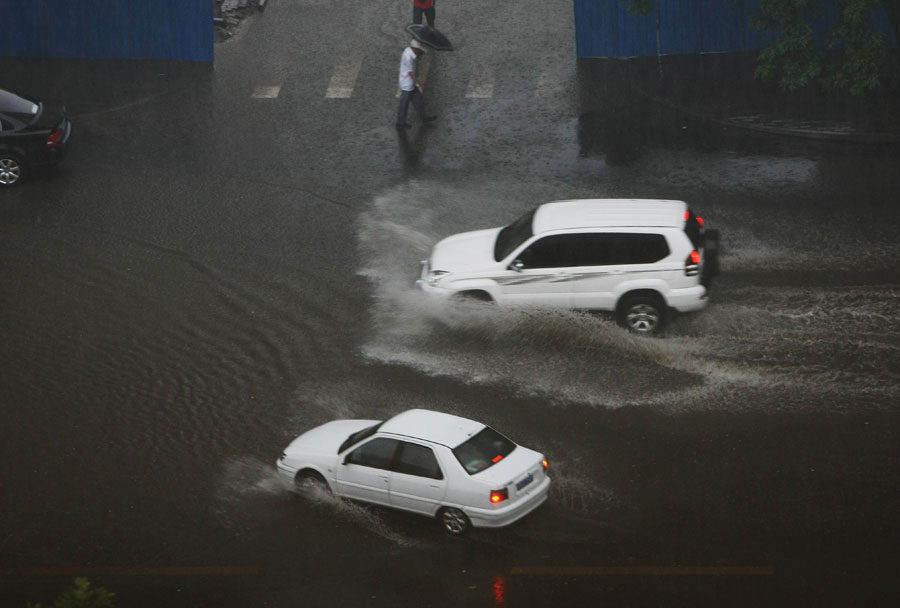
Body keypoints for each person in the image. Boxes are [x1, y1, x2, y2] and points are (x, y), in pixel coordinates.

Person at [396, 40, 437, 128]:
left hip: (410, 84)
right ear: (415, 48)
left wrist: (419, 56)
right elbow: (411, 73)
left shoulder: (408, 50)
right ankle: (400, 123)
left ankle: (424, 118)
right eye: (419, 49)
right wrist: (420, 83)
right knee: (404, 104)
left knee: (418, 101)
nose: (419, 50)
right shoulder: (408, 57)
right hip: (407, 84)